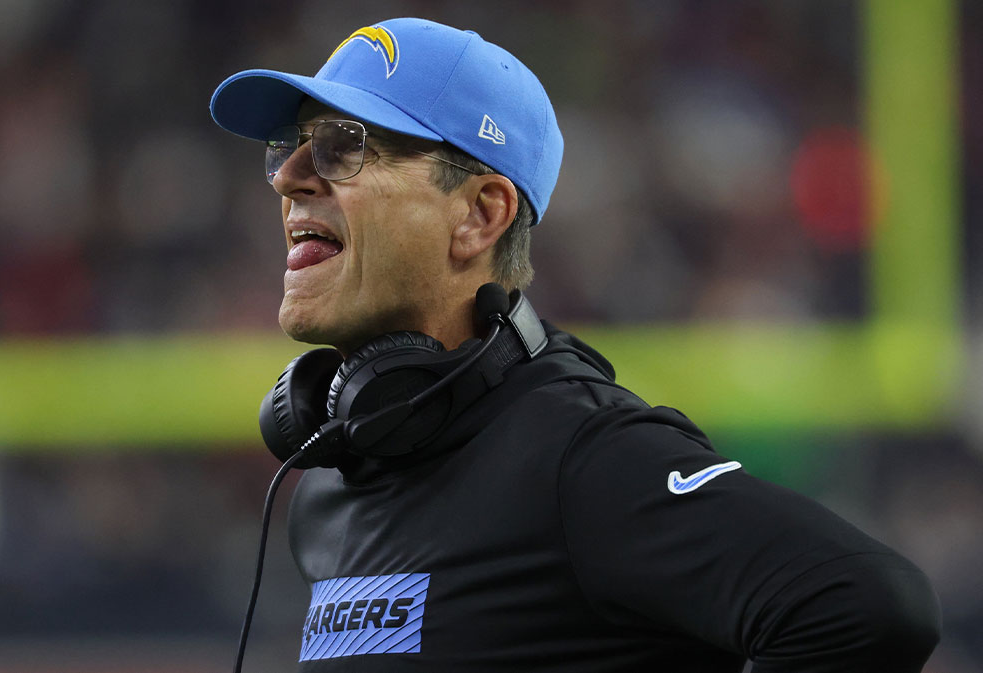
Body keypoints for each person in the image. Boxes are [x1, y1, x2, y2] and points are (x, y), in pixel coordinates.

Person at [209, 17, 941, 673]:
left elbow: (868, 604)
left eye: (342, 146)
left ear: (480, 215)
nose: (290, 177)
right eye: (290, 146)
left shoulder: (580, 458)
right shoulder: (331, 487)